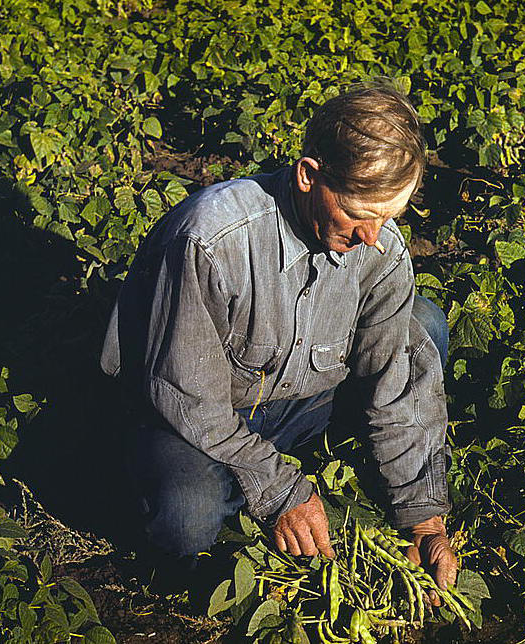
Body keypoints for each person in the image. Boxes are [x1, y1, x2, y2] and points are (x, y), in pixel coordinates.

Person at [99, 83, 457, 604]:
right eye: (360, 214)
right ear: (308, 176)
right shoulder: (210, 240)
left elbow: (394, 384)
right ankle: (167, 486)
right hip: (190, 410)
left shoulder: (380, 249)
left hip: (297, 400)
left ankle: (275, 481)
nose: (372, 237)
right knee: (187, 524)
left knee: (421, 327)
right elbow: (186, 396)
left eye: (390, 216)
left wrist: (423, 520)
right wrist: (277, 491)